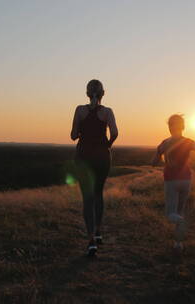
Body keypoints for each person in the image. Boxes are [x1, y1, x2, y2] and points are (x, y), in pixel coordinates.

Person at [71, 79, 118, 257]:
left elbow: (73, 135)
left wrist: (82, 130)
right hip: (102, 157)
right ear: (103, 94)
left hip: (83, 157)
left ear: (87, 93)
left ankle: (91, 241)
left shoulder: (80, 110)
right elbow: (115, 132)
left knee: (87, 198)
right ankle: (98, 231)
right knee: (98, 194)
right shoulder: (107, 112)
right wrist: (108, 144)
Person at [153, 114, 195, 251]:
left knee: (170, 214)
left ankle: (181, 226)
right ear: (183, 127)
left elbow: (154, 160)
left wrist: (156, 160)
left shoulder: (165, 143)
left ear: (170, 127)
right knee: (179, 211)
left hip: (171, 180)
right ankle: (178, 243)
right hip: (186, 179)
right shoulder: (188, 141)